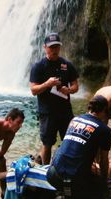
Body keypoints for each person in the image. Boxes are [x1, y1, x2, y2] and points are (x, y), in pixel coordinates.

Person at [47, 95, 111, 199]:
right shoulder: (105, 130)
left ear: (89, 107)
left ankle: (64, 194)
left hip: (52, 174)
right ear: (104, 110)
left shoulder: (75, 119)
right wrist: (104, 184)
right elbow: (103, 160)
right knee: (98, 195)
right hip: (73, 179)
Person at [29, 32, 79, 165]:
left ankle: (66, 168)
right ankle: (45, 171)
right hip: (47, 112)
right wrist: (47, 84)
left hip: (65, 111)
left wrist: (68, 90)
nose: (54, 50)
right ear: (45, 47)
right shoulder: (38, 66)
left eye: (57, 47)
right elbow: (33, 90)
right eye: (51, 47)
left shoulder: (67, 65)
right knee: (47, 144)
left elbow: (75, 86)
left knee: (69, 140)